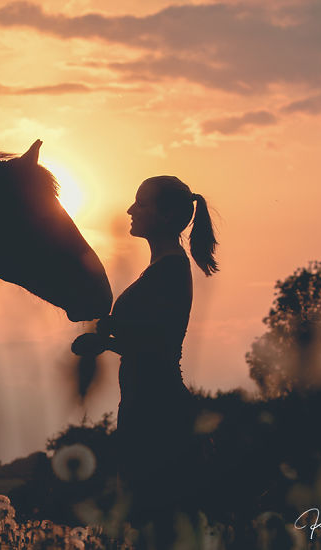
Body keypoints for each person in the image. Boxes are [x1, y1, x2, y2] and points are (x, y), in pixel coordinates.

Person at [72, 175, 218, 530]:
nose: (130, 210)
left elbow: (154, 347)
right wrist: (108, 335)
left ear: (166, 216)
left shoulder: (168, 270)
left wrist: (104, 341)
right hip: (147, 404)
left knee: (155, 520)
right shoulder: (162, 269)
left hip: (157, 410)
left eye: (141, 203)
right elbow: (148, 336)